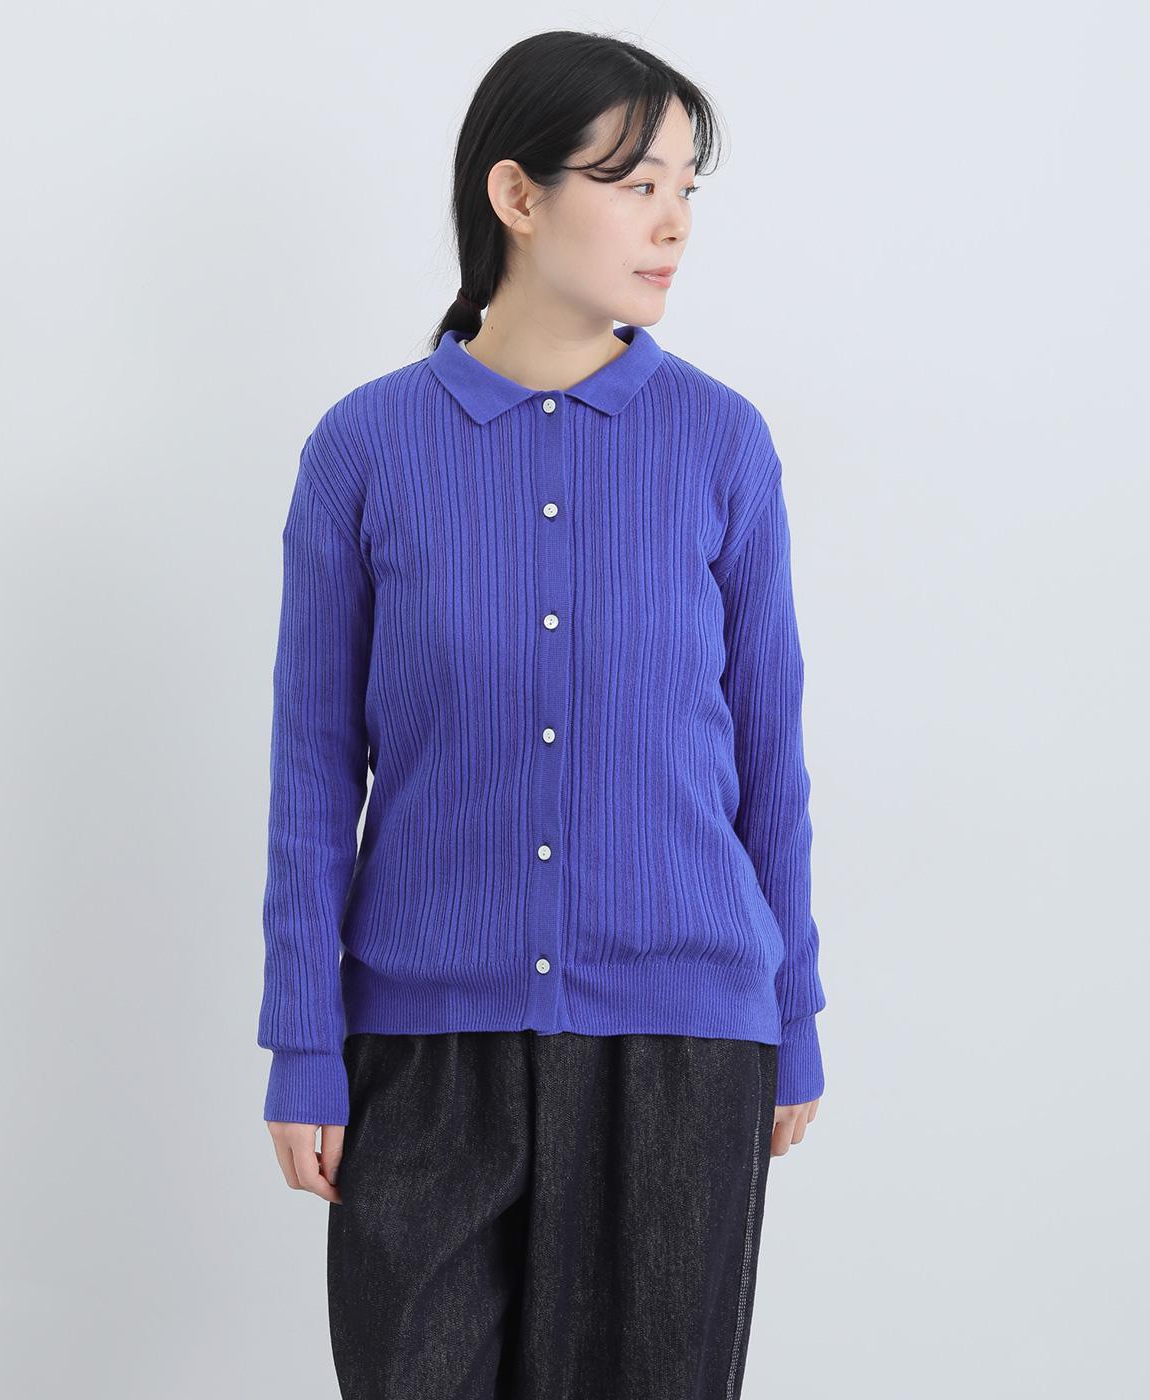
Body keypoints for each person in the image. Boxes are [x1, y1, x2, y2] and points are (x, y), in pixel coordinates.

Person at [257, 29, 827, 1400]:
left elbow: (771, 758)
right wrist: (303, 1039)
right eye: (635, 185)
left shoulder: (721, 443)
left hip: (683, 1047)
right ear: (516, 194)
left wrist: (795, 1011)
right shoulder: (365, 449)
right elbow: (313, 768)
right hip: (423, 1047)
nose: (673, 222)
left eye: (686, 186)